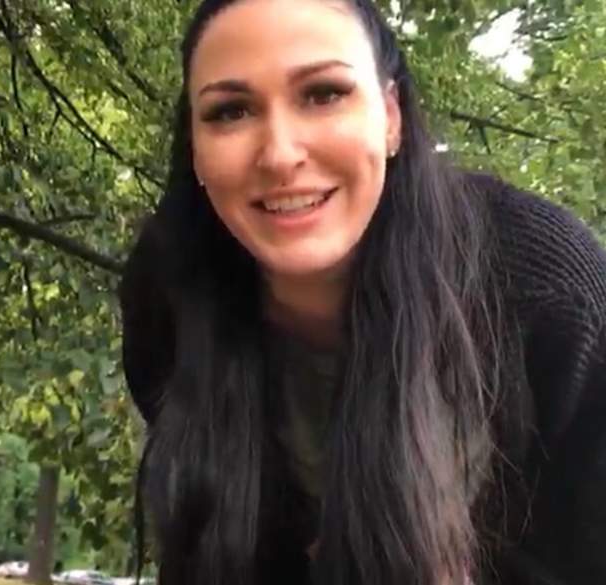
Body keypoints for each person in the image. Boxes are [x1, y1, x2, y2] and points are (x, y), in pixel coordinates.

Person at [119, 1, 606, 584]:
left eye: (323, 94)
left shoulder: (545, 281)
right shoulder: (168, 294)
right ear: (197, 149)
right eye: (231, 111)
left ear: (391, 116)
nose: (280, 154)